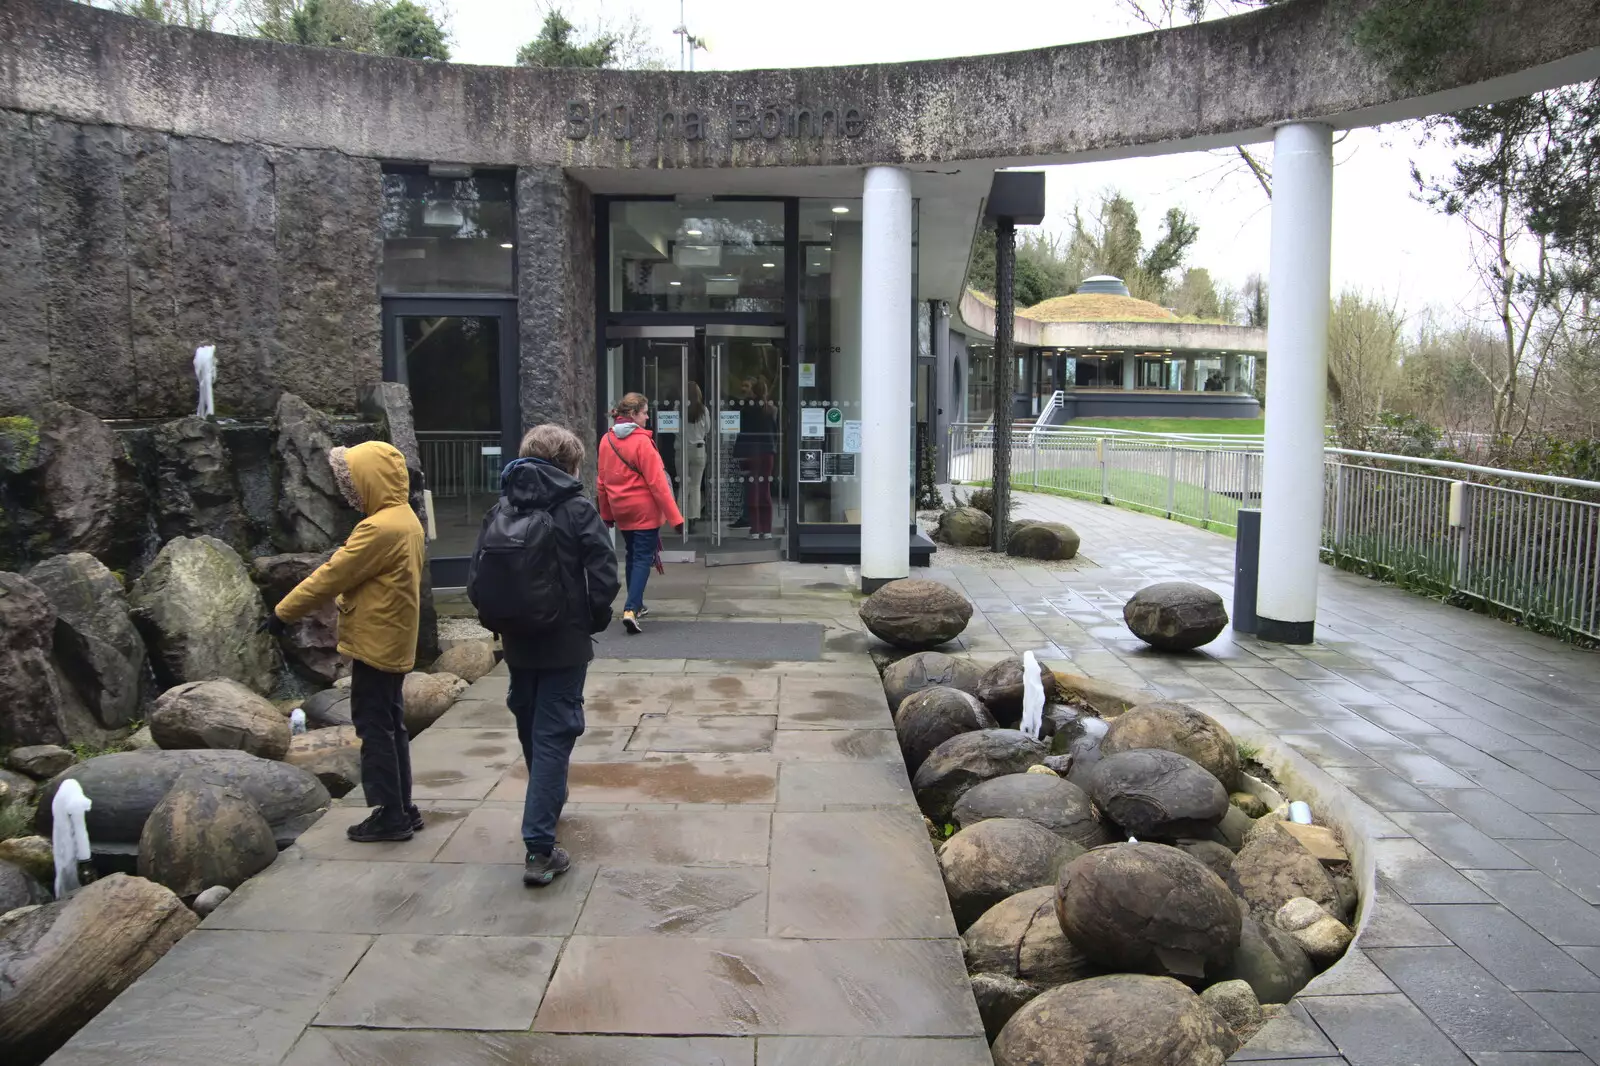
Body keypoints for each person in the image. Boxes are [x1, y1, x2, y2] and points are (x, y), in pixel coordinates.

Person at [269, 441, 424, 843]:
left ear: (370, 480)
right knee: (392, 724)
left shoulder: (377, 528)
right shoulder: (406, 518)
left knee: (374, 726)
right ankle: (403, 806)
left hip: (375, 642)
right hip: (394, 638)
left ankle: (390, 815)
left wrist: (281, 613)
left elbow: (331, 575)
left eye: (353, 480)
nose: (348, 489)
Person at [491, 425, 619, 886]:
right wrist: (594, 617)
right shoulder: (576, 507)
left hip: (518, 640)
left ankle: (546, 800)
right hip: (564, 641)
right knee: (553, 736)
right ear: (570, 464)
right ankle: (540, 849)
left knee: (531, 725)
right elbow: (604, 573)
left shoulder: (505, 503)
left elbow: (480, 576)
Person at [597, 392, 684, 634]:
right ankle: (631, 608)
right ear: (633, 415)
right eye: (644, 412)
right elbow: (658, 484)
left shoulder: (607, 440)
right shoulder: (643, 442)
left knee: (633, 556)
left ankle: (638, 603)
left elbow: (601, 482)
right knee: (643, 558)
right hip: (644, 511)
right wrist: (676, 518)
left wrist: (606, 514)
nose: (647, 417)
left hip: (621, 510)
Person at [736, 376, 779, 539]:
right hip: (767, 453)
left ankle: (754, 529)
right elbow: (775, 433)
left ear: (754, 392)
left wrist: (739, 454)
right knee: (765, 491)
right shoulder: (772, 409)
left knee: (752, 491)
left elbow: (742, 434)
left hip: (750, 453)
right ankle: (767, 529)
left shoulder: (746, 410)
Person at [683, 381, 711, 530]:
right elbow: (707, 429)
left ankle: (680, 519)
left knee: (683, 485)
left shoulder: (678, 408)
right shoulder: (703, 410)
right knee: (695, 486)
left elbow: (674, 429)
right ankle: (693, 518)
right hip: (699, 449)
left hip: (682, 449)